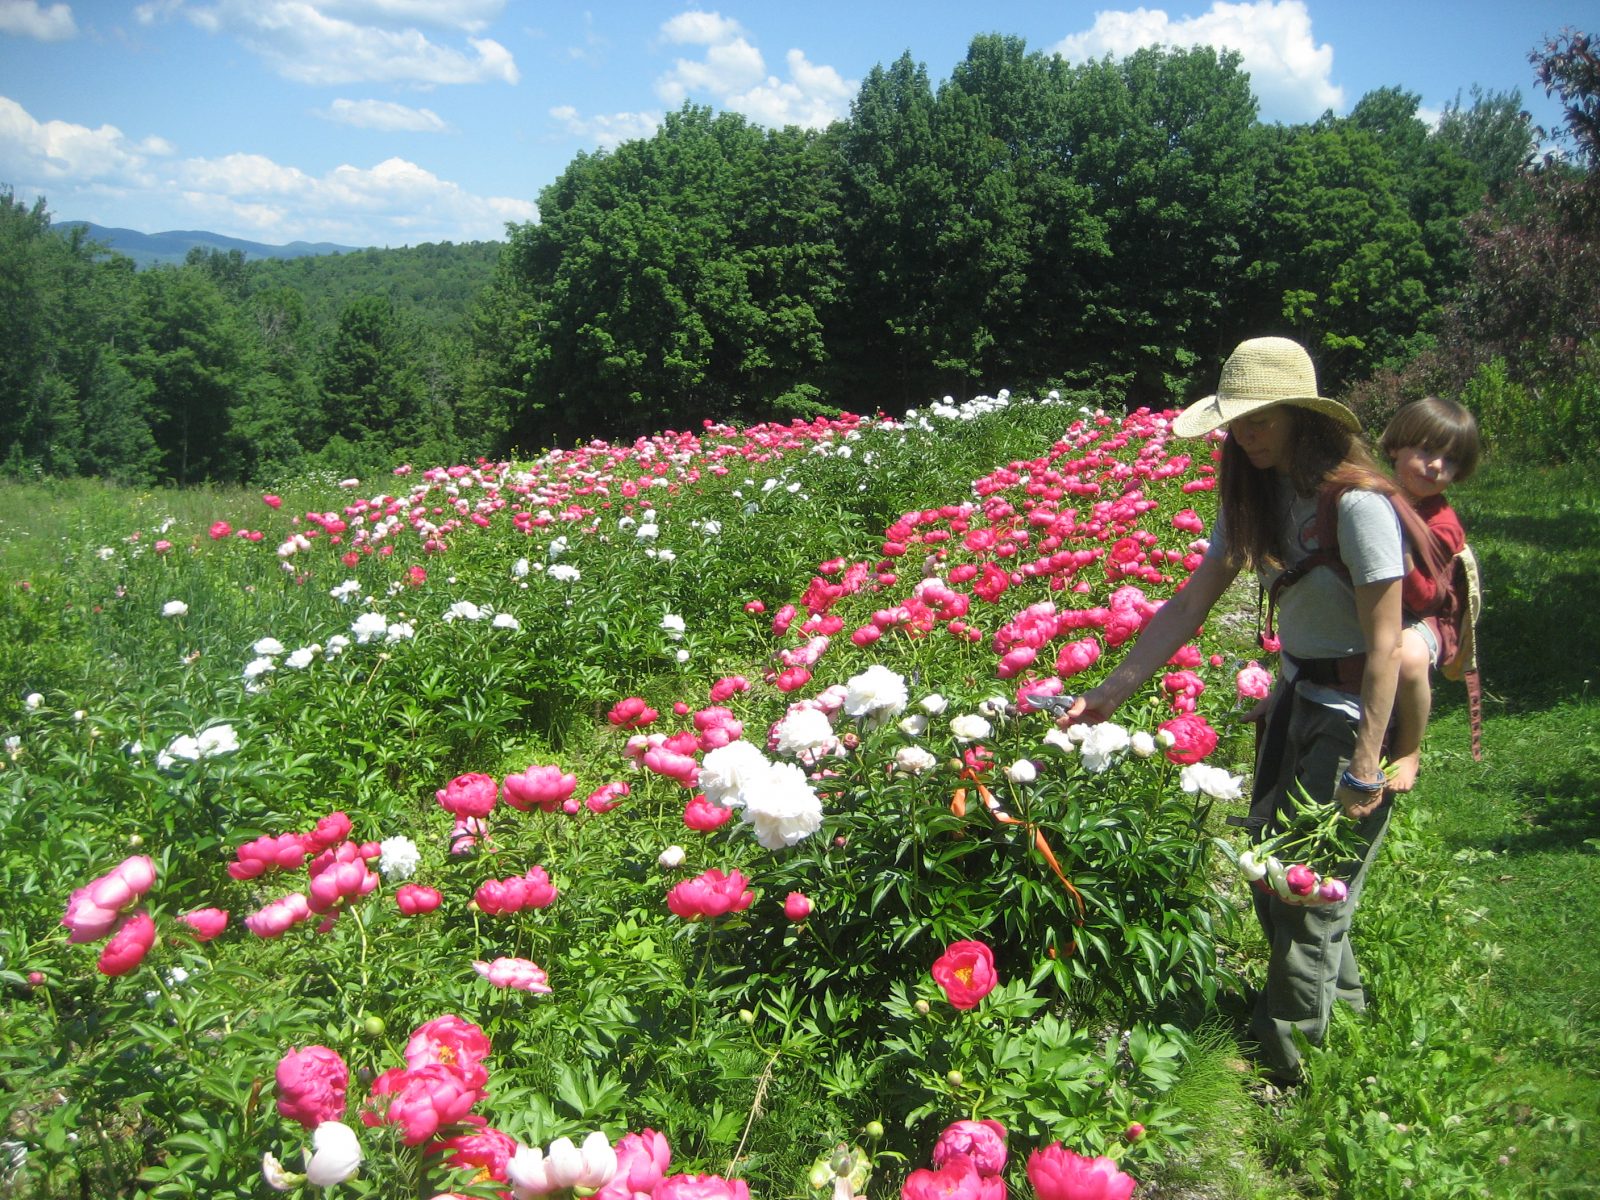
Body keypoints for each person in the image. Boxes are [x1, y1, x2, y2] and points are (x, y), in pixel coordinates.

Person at [1060, 336, 1443, 1084]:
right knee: (1274, 870)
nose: (1248, 433)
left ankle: (1288, 1063)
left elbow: (1386, 642)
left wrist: (1368, 761)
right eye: (1238, 419)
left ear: (1305, 415)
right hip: (1294, 693)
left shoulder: (1358, 504)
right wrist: (1113, 689)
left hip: (1355, 705)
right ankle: (1349, 1018)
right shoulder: (1255, 494)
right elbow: (1192, 600)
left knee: (1306, 884)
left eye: (1264, 417)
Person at [1379, 397, 1481, 792]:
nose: (1437, 466)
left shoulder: (1441, 525)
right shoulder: (1375, 493)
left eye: (1450, 461)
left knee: (1408, 656)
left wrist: (1396, 547)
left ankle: (1408, 749)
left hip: (1425, 617)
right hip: (1377, 605)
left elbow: (1425, 597)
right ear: (1395, 447)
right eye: (1426, 450)